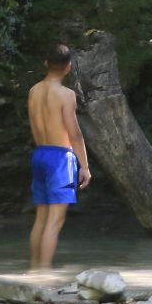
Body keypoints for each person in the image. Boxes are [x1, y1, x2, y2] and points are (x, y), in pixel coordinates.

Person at [28, 44, 92, 269]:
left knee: (41, 217)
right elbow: (74, 133)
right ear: (68, 67)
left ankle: (35, 269)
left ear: (46, 63)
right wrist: (84, 166)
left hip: (40, 154)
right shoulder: (66, 95)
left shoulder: (34, 91)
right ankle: (44, 274)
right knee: (55, 221)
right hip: (60, 158)